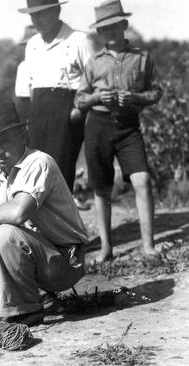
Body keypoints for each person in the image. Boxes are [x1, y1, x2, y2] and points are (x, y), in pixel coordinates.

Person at [0, 102, 88, 326]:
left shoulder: (38, 162)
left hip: (64, 262)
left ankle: (25, 312)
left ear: (22, 135)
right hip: (37, 259)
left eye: (4, 141)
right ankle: (31, 301)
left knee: (6, 233)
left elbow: (17, 213)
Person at [75, 0, 162, 263]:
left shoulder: (142, 58)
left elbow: (156, 91)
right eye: (104, 28)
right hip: (98, 128)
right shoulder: (93, 62)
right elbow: (80, 99)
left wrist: (134, 97)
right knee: (101, 190)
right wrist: (97, 97)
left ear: (124, 25)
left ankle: (149, 247)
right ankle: (106, 249)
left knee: (142, 181)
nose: (110, 32)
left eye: (114, 26)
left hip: (128, 128)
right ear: (99, 33)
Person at [17, 0, 95, 210]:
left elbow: (94, 80)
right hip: (39, 112)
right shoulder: (33, 44)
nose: (36, 20)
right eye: (32, 15)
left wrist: (77, 112)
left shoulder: (79, 40)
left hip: (67, 111)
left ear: (57, 11)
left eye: (41, 14)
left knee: (61, 172)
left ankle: (69, 236)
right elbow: (30, 87)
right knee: (36, 172)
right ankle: (45, 235)